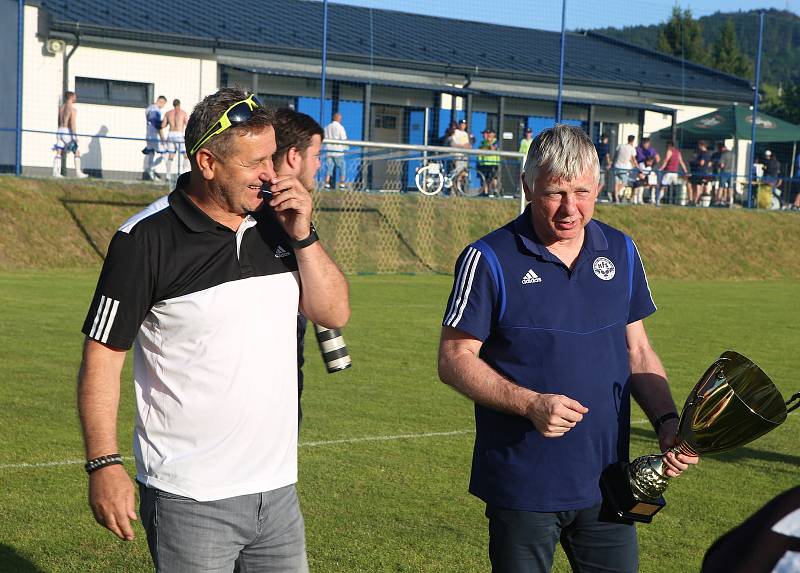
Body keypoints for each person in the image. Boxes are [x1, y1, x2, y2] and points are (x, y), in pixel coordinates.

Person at [77, 87, 349, 571]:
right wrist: (104, 462)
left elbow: (334, 313)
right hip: (191, 497)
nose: (271, 174)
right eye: (254, 163)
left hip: (279, 492)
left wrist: (303, 233)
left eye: (271, 157)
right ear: (207, 162)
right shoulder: (143, 240)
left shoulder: (279, 223)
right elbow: (102, 357)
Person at [437, 124, 698, 573]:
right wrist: (531, 403)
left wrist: (668, 421)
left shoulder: (620, 250)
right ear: (527, 187)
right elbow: (454, 359)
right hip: (523, 484)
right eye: (555, 192)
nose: (569, 208)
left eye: (581, 191)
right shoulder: (489, 258)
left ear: (598, 187)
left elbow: (637, 349)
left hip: (609, 483)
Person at [272, 107, 325, 426]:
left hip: (288, 384)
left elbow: (333, 313)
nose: (319, 164)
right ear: (294, 156)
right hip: (265, 391)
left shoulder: (298, 216)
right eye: (316, 154)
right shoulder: (266, 216)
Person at [53, 91, 88, 178]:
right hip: (67, 131)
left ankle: (56, 172)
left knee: (59, 151)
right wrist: (74, 136)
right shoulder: (72, 109)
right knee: (76, 151)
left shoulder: (61, 108)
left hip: (60, 130)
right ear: (71, 97)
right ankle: (78, 173)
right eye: (75, 96)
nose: (76, 98)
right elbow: (72, 123)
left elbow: (58, 121)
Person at [162, 98, 189, 185]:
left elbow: (163, 125)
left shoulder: (168, 113)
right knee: (185, 155)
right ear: (179, 104)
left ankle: (168, 175)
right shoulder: (183, 113)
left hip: (170, 134)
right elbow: (187, 125)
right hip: (178, 134)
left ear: (173, 105)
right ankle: (183, 173)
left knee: (171, 155)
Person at [143, 95, 167, 180]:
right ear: (161, 101)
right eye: (164, 104)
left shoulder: (149, 108)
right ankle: (151, 169)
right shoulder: (156, 110)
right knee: (164, 153)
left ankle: (150, 174)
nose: (163, 106)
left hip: (148, 135)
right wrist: (162, 137)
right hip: (153, 136)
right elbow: (156, 125)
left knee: (151, 154)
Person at [658, 140, 688, 205]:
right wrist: (685, 170)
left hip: (668, 172)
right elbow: (681, 162)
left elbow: (666, 161)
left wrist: (660, 169)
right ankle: (674, 201)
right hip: (675, 172)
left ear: (669, 145)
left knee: (663, 186)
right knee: (675, 186)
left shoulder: (669, 151)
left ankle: (658, 200)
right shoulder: (678, 152)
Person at [324, 112, 347, 189]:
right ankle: (342, 184)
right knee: (342, 167)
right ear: (339, 119)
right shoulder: (340, 127)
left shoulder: (327, 127)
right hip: (338, 151)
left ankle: (327, 184)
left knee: (329, 168)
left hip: (329, 150)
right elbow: (344, 138)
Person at [612, 134, 637, 203]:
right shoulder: (632, 148)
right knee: (624, 182)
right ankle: (615, 193)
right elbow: (633, 159)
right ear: (633, 141)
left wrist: (612, 164)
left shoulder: (620, 146)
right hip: (624, 168)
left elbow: (615, 156)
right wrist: (637, 167)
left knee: (616, 183)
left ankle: (616, 197)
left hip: (616, 166)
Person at [477, 129, 501, 196]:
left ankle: (495, 191)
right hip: (484, 163)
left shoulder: (495, 141)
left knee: (493, 178)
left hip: (493, 163)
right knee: (484, 179)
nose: (484, 136)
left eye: (486, 134)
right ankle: (485, 192)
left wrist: (489, 142)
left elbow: (493, 149)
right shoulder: (483, 142)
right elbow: (480, 150)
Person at [689, 141, 712, 205]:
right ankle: (695, 201)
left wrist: (693, 162)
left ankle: (695, 201)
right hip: (703, 172)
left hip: (699, 172)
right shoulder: (708, 154)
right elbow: (709, 164)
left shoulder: (703, 153)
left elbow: (702, 163)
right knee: (698, 187)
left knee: (697, 187)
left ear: (702, 145)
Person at [711, 142, 734, 206]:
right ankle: (729, 200)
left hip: (724, 172)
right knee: (730, 187)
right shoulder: (732, 154)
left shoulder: (723, 155)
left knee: (721, 186)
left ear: (721, 148)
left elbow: (722, 165)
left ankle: (718, 200)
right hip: (732, 172)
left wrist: (717, 165)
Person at [594, 133, 611, 200]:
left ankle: (594, 195)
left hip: (594, 165)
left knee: (596, 182)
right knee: (602, 183)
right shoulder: (605, 146)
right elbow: (607, 156)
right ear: (606, 139)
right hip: (601, 166)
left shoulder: (597, 145)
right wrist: (609, 164)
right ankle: (595, 196)